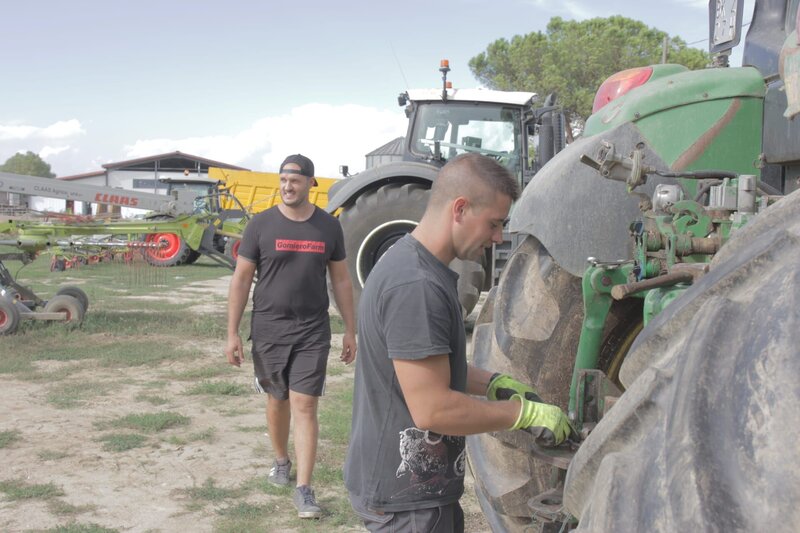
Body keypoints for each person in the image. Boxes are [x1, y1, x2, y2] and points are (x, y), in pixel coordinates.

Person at [344, 153, 572, 532]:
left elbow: (428, 366)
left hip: (411, 490)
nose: (497, 238)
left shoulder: (412, 264)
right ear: (460, 209)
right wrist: (521, 415)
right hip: (408, 503)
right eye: (494, 224)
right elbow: (433, 410)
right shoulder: (416, 286)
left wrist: (494, 383)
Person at [225, 153, 356, 519]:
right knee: (277, 398)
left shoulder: (328, 226)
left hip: (312, 329)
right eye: (283, 180)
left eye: (295, 180)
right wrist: (232, 332)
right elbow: (241, 279)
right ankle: (281, 460)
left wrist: (351, 329)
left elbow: (341, 280)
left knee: (305, 404)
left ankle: (304, 489)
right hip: (269, 327)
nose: (287, 186)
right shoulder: (261, 225)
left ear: (310, 183)